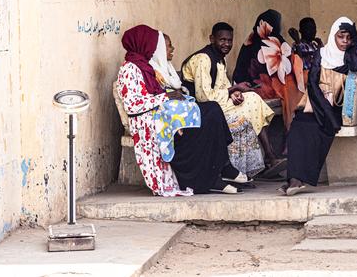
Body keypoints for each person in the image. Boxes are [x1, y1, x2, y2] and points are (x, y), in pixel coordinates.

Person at [116, 24, 243, 196]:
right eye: (153, 44)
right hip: (150, 122)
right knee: (209, 118)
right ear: (143, 44)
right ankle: (213, 176)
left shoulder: (145, 66)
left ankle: (221, 167)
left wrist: (173, 96)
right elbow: (134, 105)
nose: (155, 48)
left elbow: (158, 92)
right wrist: (166, 97)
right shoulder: (130, 69)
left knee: (213, 109)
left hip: (165, 115)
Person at [283, 16, 357, 196]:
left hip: (339, 106)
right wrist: (324, 110)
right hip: (318, 103)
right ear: (333, 36)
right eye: (341, 37)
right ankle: (294, 179)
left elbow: (355, 66)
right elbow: (313, 84)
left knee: (318, 128)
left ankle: (299, 179)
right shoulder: (321, 53)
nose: (345, 41)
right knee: (299, 126)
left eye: (349, 37)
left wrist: (355, 43)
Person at [181, 22, 275, 178]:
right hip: (202, 109)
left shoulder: (220, 59)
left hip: (217, 104)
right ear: (212, 39)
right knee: (251, 104)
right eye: (222, 40)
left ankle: (269, 157)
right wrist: (233, 89)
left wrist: (234, 93)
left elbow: (223, 86)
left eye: (229, 40)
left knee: (252, 99)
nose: (227, 44)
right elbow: (204, 96)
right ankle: (270, 157)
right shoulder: (203, 58)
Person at [232, 10, 303, 120]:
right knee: (296, 82)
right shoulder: (275, 40)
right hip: (266, 91)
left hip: (244, 87)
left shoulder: (249, 40)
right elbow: (292, 62)